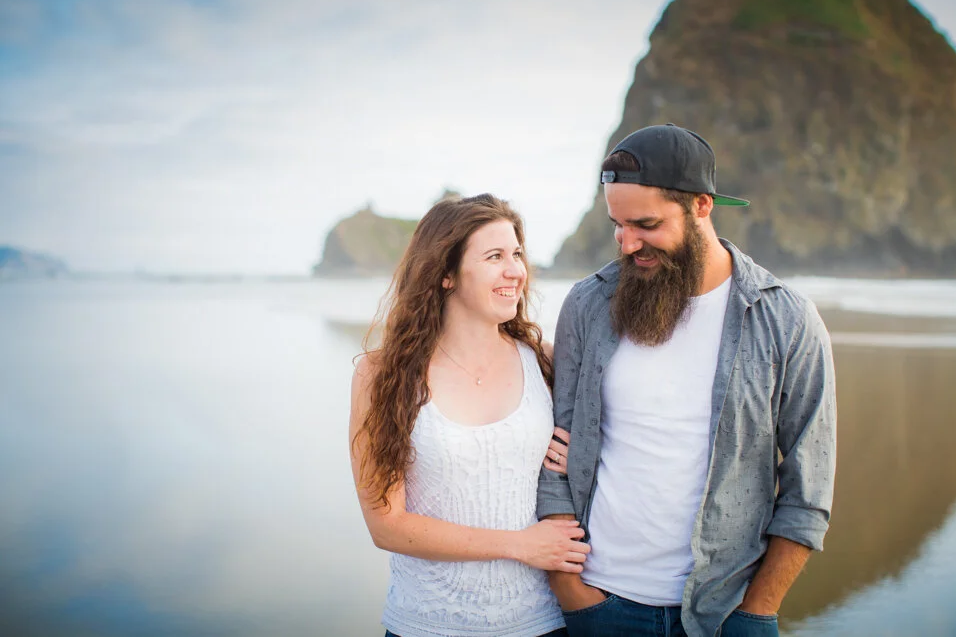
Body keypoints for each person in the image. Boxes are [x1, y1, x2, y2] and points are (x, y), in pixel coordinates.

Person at [537, 124, 837, 637]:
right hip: (600, 604)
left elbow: (809, 489)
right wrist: (574, 595)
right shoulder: (587, 305)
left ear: (701, 205)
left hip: (725, 614)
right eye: (617, 225)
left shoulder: (786, 319)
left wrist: (758, 612)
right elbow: (557, 455)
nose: (628, 244)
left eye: (646, 224)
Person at [350, 194, 589, 637]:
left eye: (517, 254)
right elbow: (387, 525)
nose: (515, 270)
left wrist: (585, 453)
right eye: (495, 256)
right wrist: (520, 546)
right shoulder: (382, 374)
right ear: (445, 274)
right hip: (425, 625)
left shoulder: (545, 364)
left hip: (541, 624)